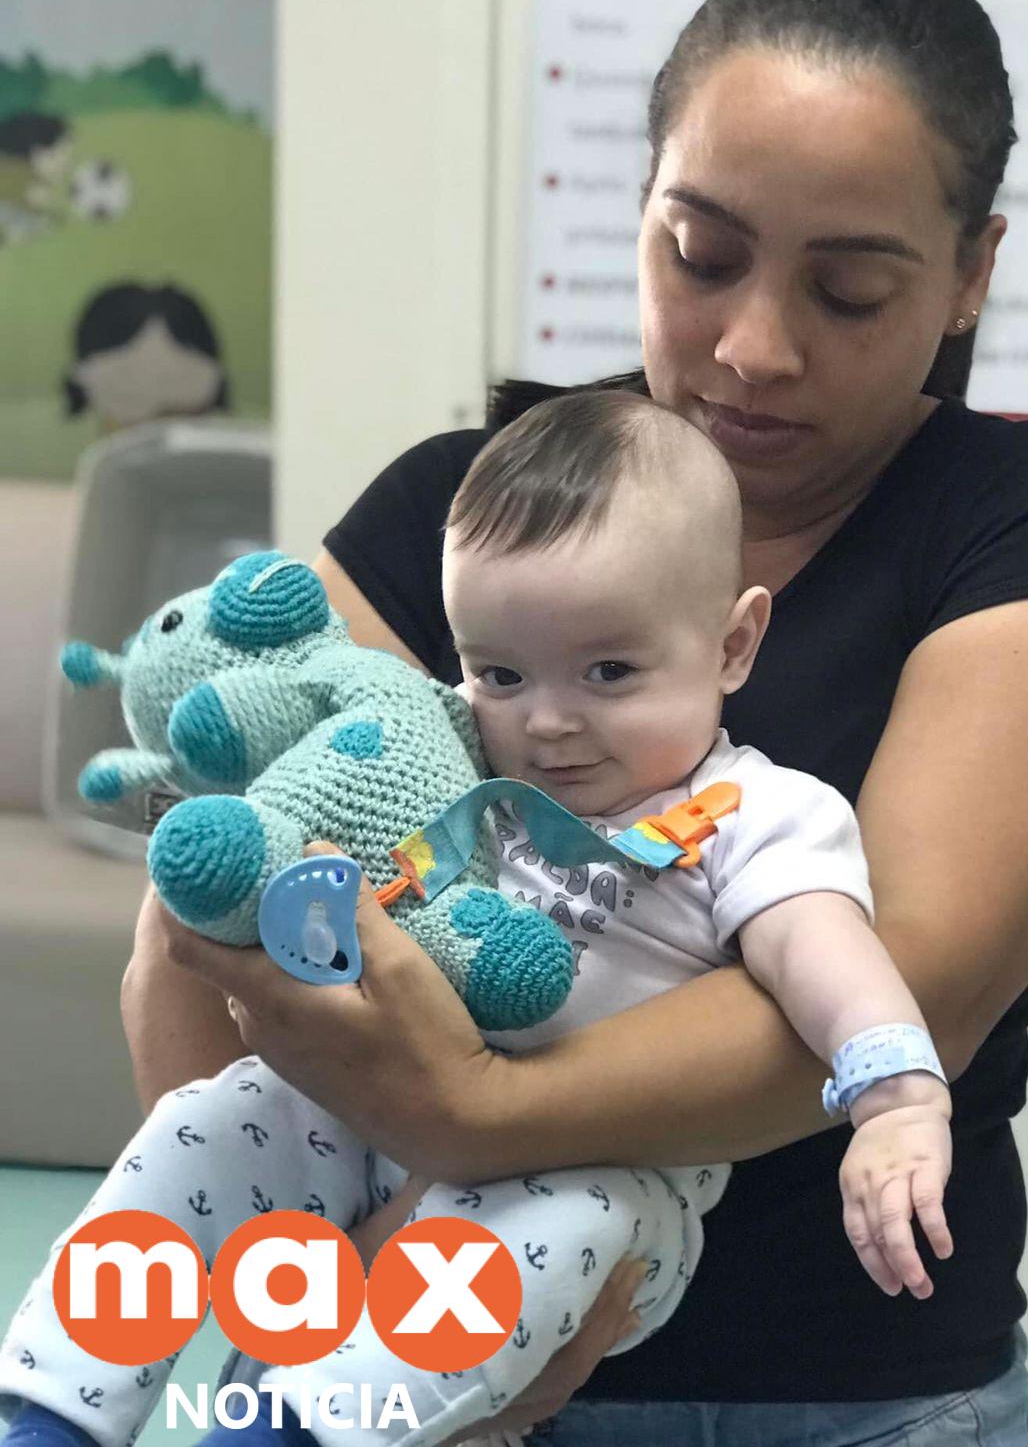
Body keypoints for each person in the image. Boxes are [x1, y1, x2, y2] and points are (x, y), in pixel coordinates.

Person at [116, 0, 1028, 1445]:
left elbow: (908, 987)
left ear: (970, 276)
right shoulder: (462, 509)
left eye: (850, 290)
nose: (755, 347)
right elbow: (210, 934)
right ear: (642, 211)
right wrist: (326, 1317)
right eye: (702, 256)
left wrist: (470, 1112)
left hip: (858, 1397)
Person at [0, 393, 957, 1447]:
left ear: (734, 643)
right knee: (208, 1123)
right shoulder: (454, 755)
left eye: (609, 672)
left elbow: (824, 951)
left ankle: (293, 1429)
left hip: (604, 1177)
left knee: (523, 1245)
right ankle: (52, 1410)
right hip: (367, 1120)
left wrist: (897, 1098)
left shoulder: (755, 814)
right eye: (500, 672)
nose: (547, 721)